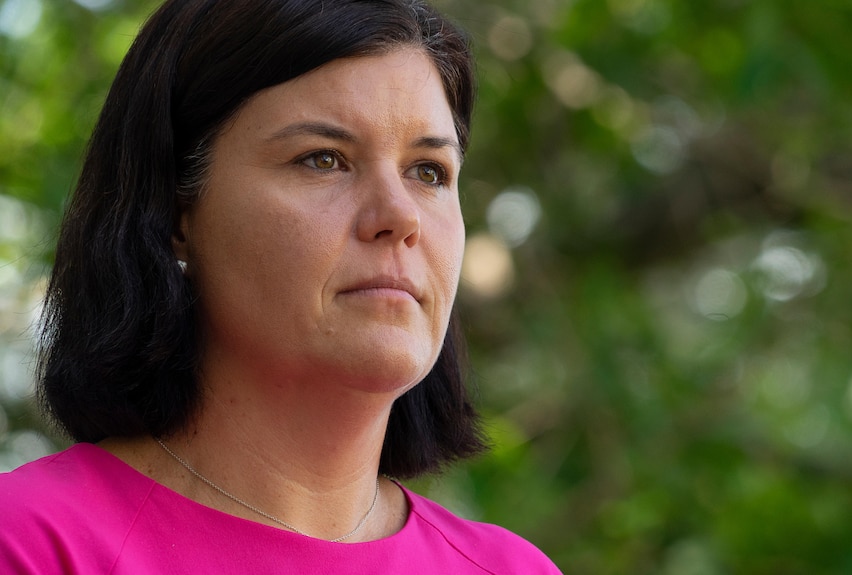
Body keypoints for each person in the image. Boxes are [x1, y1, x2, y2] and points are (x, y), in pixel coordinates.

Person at [0, 0, 562, 572]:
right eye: (324, 159)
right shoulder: (33, 545)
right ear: (174, 212)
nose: (401, 215)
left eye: (428, 172)